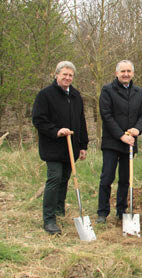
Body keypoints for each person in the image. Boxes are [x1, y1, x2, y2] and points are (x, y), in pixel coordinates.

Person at [32, 61, 89, 235]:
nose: (67, 77)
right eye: (64, 74)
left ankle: (59, 212)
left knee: (64, 179)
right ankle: (49, 219)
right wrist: (56, 131)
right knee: (55, 178)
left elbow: (81, 121)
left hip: (71, 148)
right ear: (56, 74)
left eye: (70, 75)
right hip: (53, 147)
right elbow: (38, 120)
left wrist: (83, 145)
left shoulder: (76, 96)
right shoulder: (45, 95)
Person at [97, 60, 142, 224]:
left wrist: (137, 130)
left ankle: (121, 211)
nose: (126, 74)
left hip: (130, 143)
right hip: (112, 142)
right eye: (122, 71)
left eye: (129, 71)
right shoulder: (107, 90)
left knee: (125, 179)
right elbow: (106, 115)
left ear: (132, 73)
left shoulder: (138, 92)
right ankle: (102, 213)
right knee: (107, 178)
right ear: (116, 73)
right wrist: (121, 135)